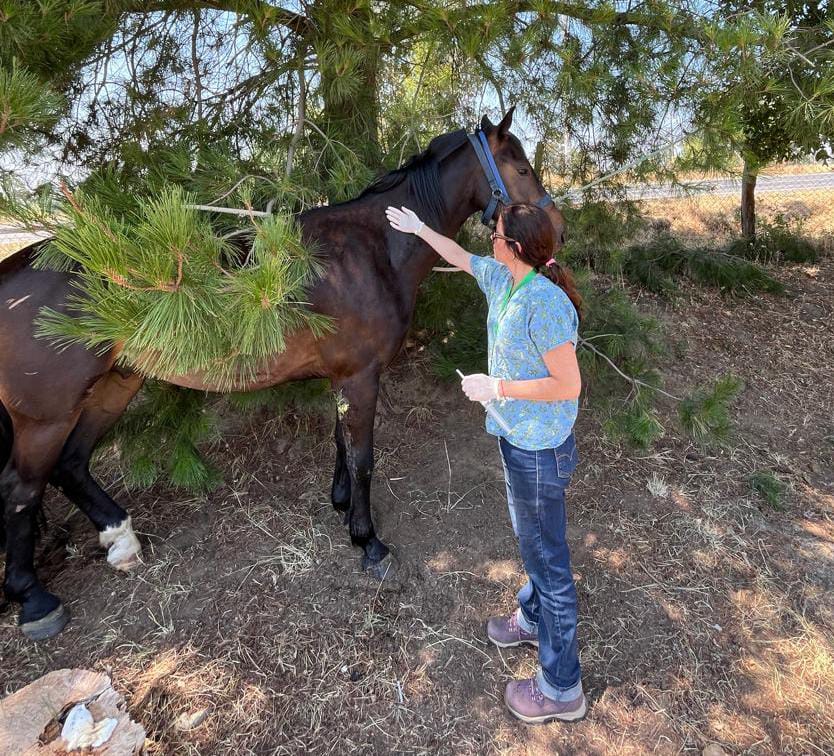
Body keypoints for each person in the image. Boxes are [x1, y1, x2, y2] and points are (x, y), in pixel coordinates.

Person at [386, 202, 585, 724]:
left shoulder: (545, 303)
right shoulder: (503, 279)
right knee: (532, 542)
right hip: (516, 440)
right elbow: (458, 255)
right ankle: (533, 617)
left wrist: (497, 387)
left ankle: (562, 688)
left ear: (514, 247)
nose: (488, 240)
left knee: (549, 562)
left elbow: (567, 384)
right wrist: (420, 228)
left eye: (494, 234)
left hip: (540, 450)